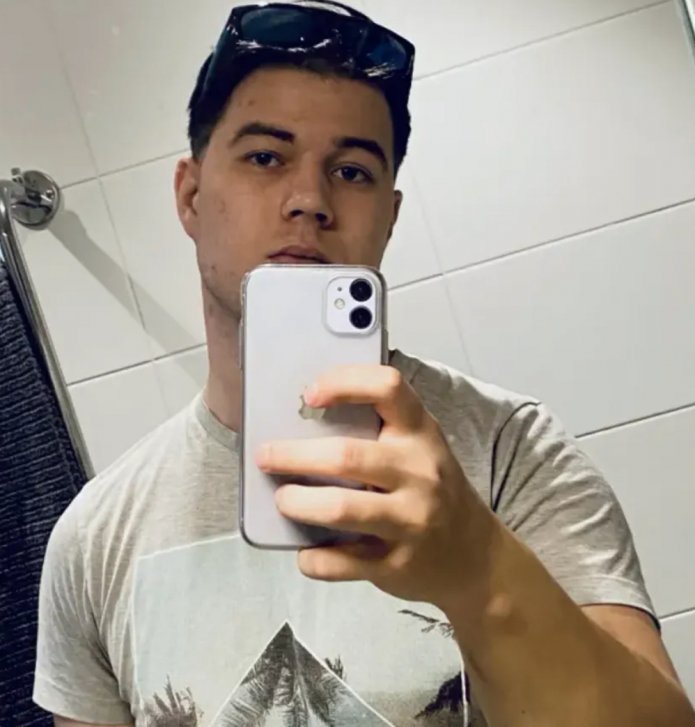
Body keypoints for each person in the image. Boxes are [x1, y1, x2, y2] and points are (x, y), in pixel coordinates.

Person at [33, 2, 694, 726]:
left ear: (389, 216)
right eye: (265, 157)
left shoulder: (511, 449)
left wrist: (478, 569)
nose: (309, 200)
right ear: (191, 196)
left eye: (351, 170)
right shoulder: (95, 538)